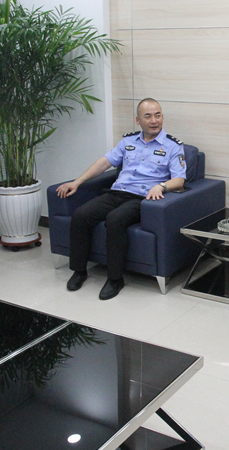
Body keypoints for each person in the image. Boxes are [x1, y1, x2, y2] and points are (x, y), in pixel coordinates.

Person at [57, 98, 186, 300]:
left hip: (142, 198)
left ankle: (115, 279)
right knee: (81, 215)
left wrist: (161, 186)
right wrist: (77, 182)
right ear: (138, 120)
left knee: (115, 219)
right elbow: (104, 163)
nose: (154, 120)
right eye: (148, 116)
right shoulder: (127, 141)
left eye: (158, 115)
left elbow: (179, 180)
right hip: (117, 192)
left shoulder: (173, 146)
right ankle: (79, 271)